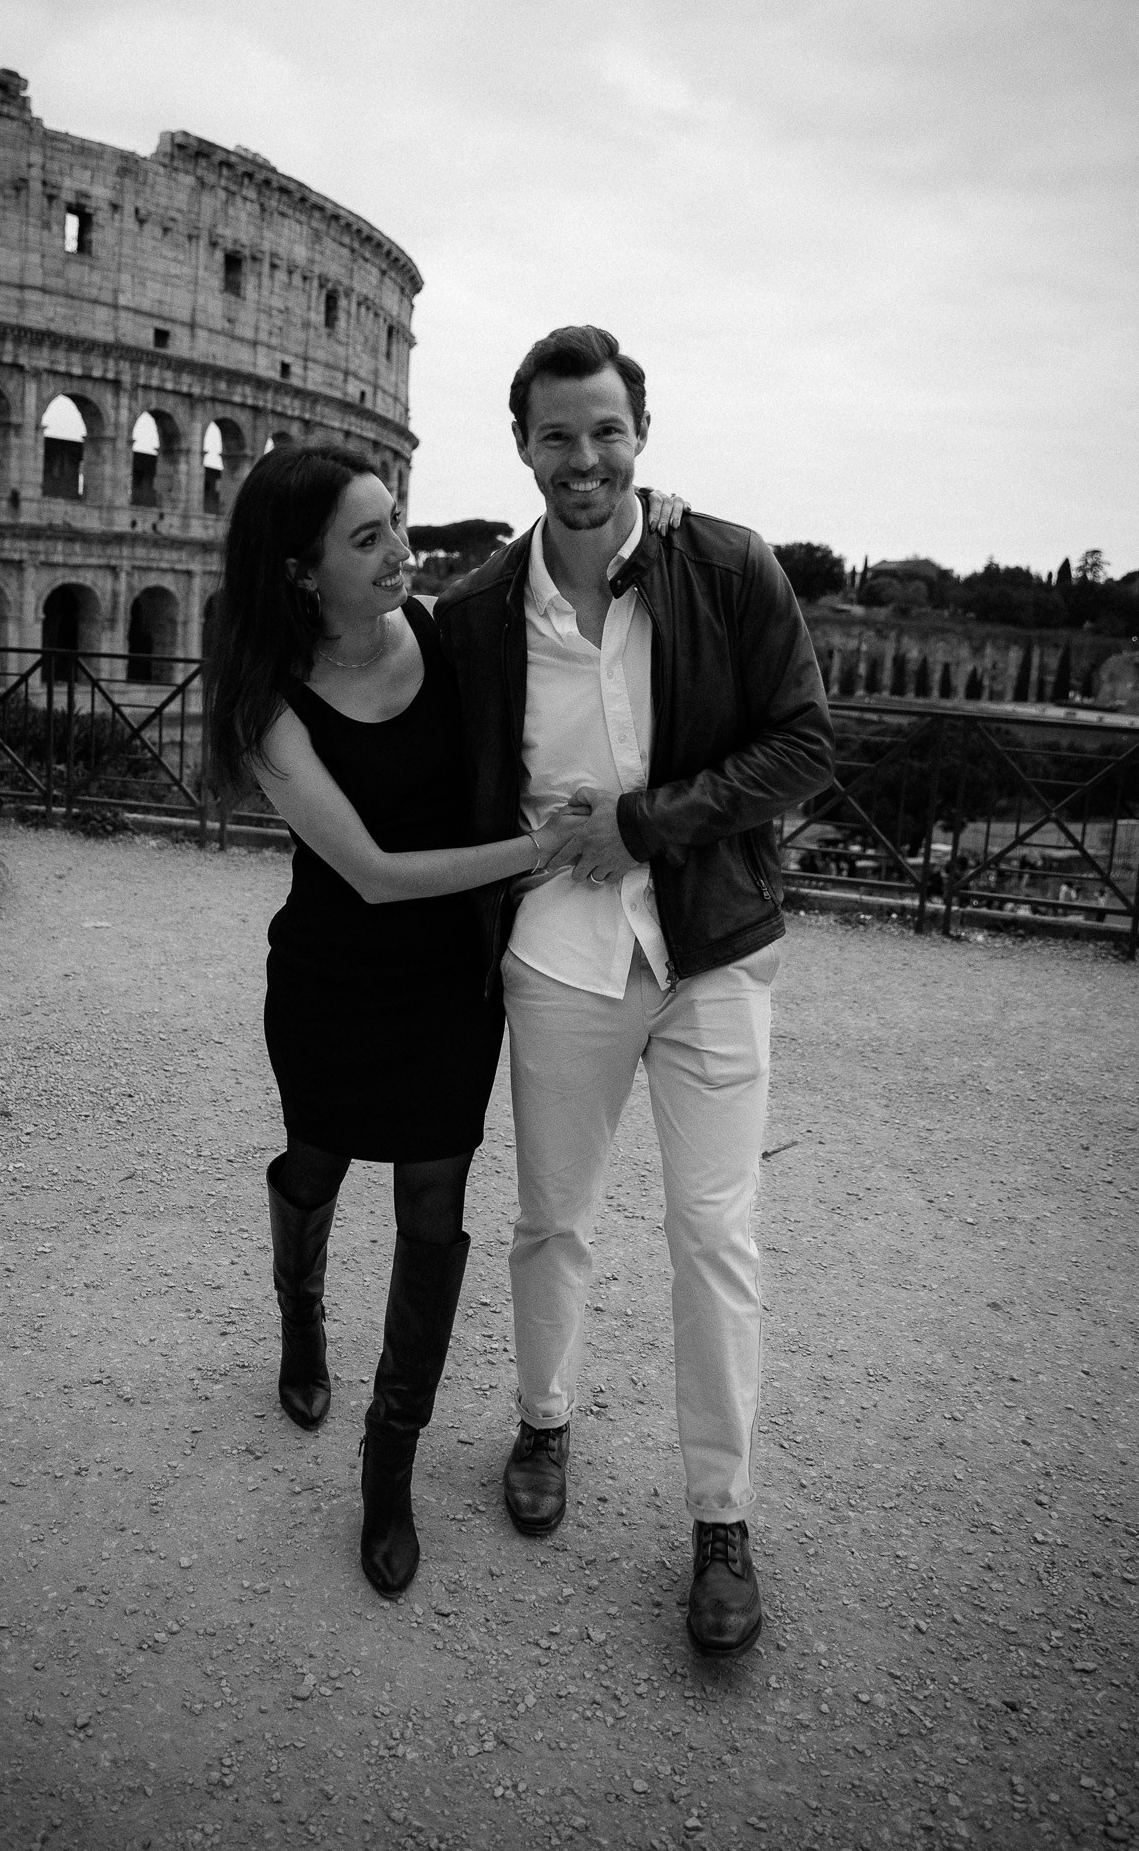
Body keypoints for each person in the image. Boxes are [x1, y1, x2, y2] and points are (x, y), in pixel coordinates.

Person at [204, 442, 685, 1601]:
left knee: (434, 1205)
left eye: (397, 523)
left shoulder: (449, 631)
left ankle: (390, 1461)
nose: (400, 552)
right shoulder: (269, 702)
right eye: (367, 538)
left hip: (448, 984)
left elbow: (559, 585)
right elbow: (371, 872)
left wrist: (651, 519)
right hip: (332, 979)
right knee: (315, 1164)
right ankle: (301, 1314)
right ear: (301, 570)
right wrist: (540, 850)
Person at [435, 327, 835, 1655]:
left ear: (640, 434)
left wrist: (644, 824)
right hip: (559, 952)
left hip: (711, 945)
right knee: (552, 1218)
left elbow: (804, 743)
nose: (584, 458)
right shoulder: (478, 614)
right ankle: (543, 1421)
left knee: (714, 1233)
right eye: (557, 434)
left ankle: (722, 1518)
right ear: (522, 445)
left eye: (605, 429)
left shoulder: (728, 565)